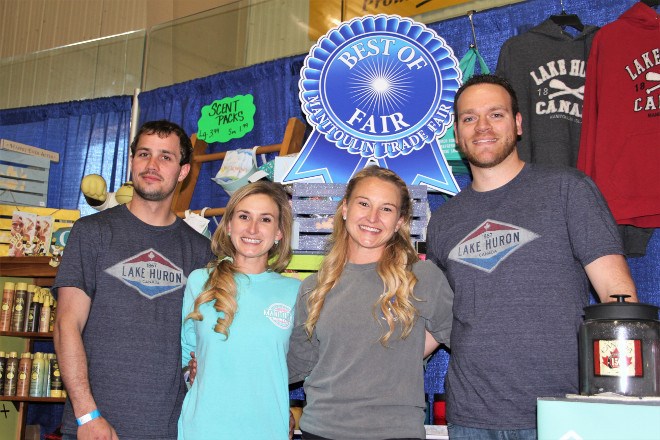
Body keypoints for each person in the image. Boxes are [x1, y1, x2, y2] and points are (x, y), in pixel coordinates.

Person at [425, 74, 638, 439]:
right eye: (469, 118)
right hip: (471, 416)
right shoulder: (444, 220)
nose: (482, 127)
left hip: (562, 410)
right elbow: (438, 319)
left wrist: (621, 399)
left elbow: (618, 299)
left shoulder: (567, 189)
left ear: (519, 123)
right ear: (457, 135)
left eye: (496, 114)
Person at [53, 120, 213, 440]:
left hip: (169, 429)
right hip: (95, 427)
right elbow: (65, 326)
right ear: (131, 162)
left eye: (165, 157)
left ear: (183, 172)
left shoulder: (201, 252)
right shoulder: (92, 233)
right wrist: (87, 415)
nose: (152, 165)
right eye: (144, 154)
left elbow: (202, 340)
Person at [287, 166, 454, 440]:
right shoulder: (313, 287)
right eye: (364, 203)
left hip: (395, 432)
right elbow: (295, 363)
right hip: (322, 430)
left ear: (400, 221)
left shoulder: (421, 276)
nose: (372, 217)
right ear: (344, 208)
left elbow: (466, 340)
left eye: (386, 209)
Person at [178, 180, 300, 439]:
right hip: (203, 429)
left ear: (279, 232)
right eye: (244, 216)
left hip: (267, 430)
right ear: (229, 224)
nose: (253, 228)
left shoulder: (295, 292)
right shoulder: (200, 281)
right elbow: (186, 351)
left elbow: (302, 361)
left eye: (265, 219)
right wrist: (191, 372)